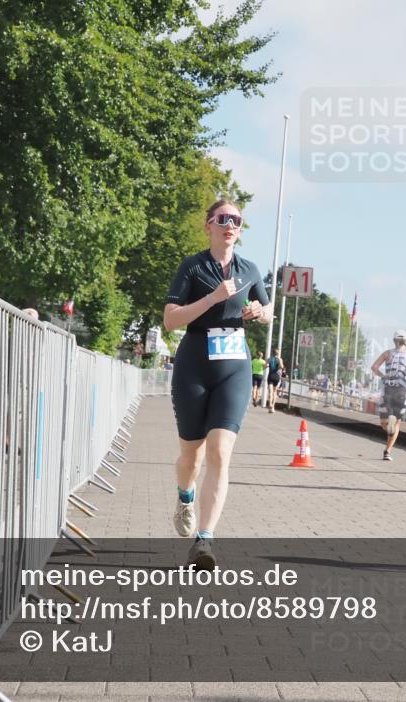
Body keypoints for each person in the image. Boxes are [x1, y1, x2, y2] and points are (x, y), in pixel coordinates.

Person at [163, 199, 272, 570]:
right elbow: (170, 320)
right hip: (194, 360)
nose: (231, 225)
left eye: (237, 220)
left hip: (234, 365)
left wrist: (259, 312)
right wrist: (212, 298)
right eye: (224, 219)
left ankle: (204, 541)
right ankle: (184, 496)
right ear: (209, 224)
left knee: (221, 453)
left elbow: (269, 310)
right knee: (190, 458)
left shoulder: (250, 269)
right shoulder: (192, 266)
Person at [371, 329, 406, 461]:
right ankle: (387, 451)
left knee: (384, 422)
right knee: (397, 423)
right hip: (401, 390)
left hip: (388, 388)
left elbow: (374, 367)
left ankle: (388, 431)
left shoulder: (387, 354)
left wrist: (384, 376)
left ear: (394, 341)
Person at [266, 348, 286, 413]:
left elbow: (264, 366)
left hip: (270, 376)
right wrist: (280, 362)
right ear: (278, 353)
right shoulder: (280, 359)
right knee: (275, 392)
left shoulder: (269, 359)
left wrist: (267, 365)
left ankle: (270, 405)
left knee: (270, 392)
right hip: (276, 377)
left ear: (272, 353)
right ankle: (273, 407)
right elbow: (282, 367)